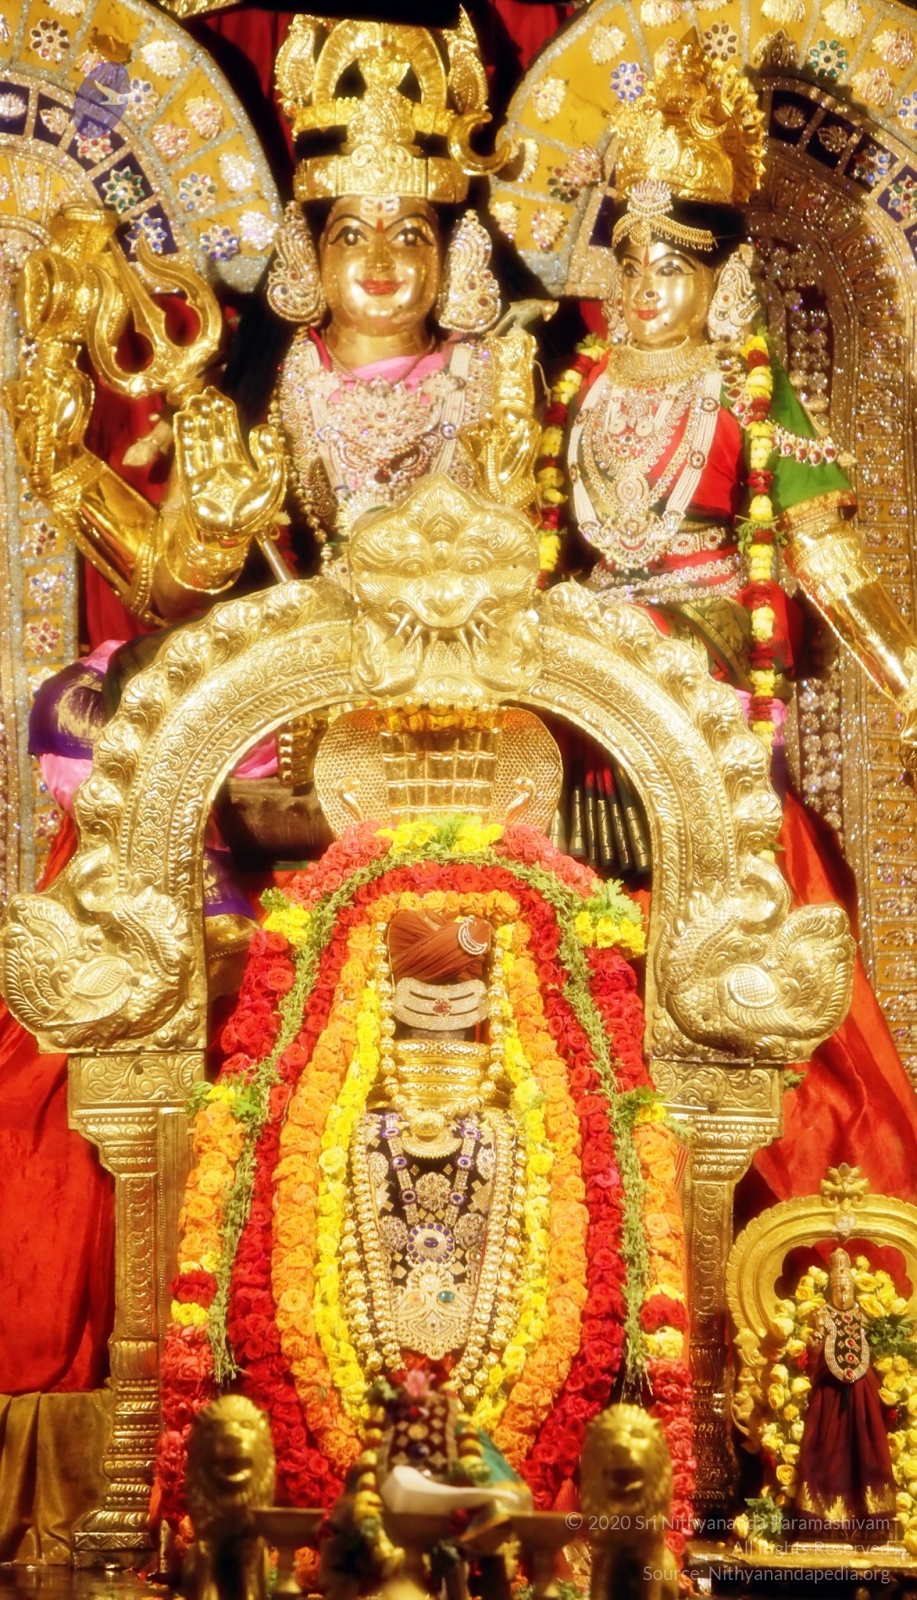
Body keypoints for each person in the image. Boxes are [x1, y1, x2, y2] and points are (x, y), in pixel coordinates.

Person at [547, 31, 917, 1215]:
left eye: (675, 264)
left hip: (704, 706)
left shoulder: (743, 390)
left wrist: (904, 679)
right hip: (580, 710)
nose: (646, 287)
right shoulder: (573, 392)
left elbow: (823, 552)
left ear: (726, 280)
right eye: (629, 258)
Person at [794, 1248, 896, 1540]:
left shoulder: (864, 1315)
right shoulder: (822, 1316)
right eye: (837, 1288)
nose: (842, 1293)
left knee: (868, 1449)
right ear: (829, 1290)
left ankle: (870, 1520)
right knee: (826, 1451)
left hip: (863, 1395)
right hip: (829, 1395)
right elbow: (814, 1359)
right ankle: (823, 1519)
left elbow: (876, 1351)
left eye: (847, 1288)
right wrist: (816, 1340)